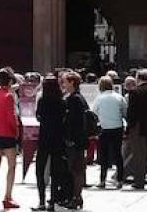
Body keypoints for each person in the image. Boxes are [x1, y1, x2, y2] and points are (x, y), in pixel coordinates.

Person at [0, 69, 22, 210]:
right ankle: (8, 197)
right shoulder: (9, 96)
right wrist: (16, 130)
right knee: (11, 165)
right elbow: (11, 116)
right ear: (10, 81)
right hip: (6, 133)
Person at [34, 75, 66, 212]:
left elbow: (38, 116)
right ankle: (52, 201)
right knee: (55, 171)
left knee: (40, 170)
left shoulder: (42, 100)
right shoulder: (62, 101)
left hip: (44, 138)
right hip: (58, 139)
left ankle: (41, 201)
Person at [91, 76, 127, 189]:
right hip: (117, 127)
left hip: (104, 128)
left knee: (103, 155)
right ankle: (120, 179)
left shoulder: (99, 98)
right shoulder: (119, 97)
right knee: (118, 154)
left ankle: (102, 180)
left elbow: (94, 113)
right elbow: (124, 112)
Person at [61, 71, 89, 210]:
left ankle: (76, 198)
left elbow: (74, 122)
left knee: (75, 170)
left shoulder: (74, 99)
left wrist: (70, 139)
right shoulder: (79, 98)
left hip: (75, 141)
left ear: (72, 82)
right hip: (80, 140)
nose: (63, 84)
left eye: (65, 81)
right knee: (77, 169)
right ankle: (77, 197)